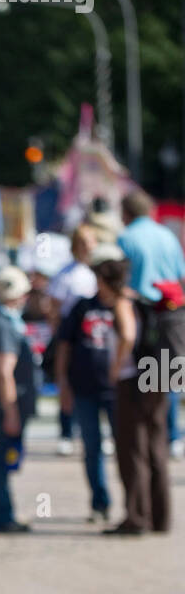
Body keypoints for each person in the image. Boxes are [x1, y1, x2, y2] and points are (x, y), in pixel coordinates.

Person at [117, 188, 185, 468]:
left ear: (126, 212)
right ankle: (172, 435)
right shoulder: (167, 235)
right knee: (167, 377)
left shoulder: (126, 237)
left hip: (143, 314)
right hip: (171, 313)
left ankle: (149, 432)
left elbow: (121, 280)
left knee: (144, 377)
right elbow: (181, 274)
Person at [104, 253, 170, 536]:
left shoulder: (122, 302)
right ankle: (160, 517)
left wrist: (116, 368)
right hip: (157, 374)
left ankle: (136, 517)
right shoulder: (144, 299)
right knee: (156, 446)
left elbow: (128, 335)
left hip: (133, 380)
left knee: (133, 450)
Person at [55, 251, 122, 523]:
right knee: (92, 447)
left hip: (118, 390)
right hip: (84, 387)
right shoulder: (82, 306)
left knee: (126, 448)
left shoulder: (124, 307)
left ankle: (134, 503)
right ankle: (100, 502)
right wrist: (62, 382)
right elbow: (64, 345)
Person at [0, 266, 37, 533]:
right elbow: (3, 372)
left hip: (9, 402)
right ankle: (2, 515)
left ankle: (4, 512)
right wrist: (11, 410)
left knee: (5, 457)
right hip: (8, 404)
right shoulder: (3, 325)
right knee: (3, 458)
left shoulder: (3, 321)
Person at [47, 224, 100, 457]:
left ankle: (96, 432)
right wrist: (61, 337)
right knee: (66, 383)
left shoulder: (98, 273)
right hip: (71, 337)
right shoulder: (65, 274)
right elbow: (54, 309)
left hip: (95, 337)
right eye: (84, 243)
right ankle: (66, 432)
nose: (88, 248)